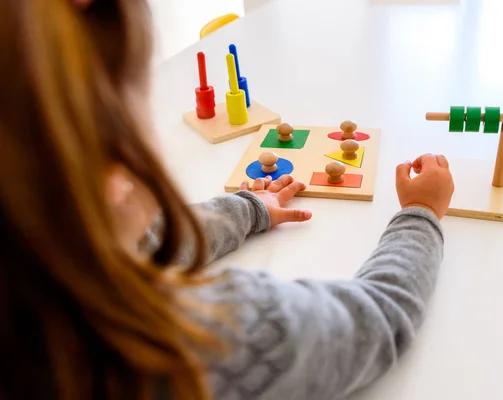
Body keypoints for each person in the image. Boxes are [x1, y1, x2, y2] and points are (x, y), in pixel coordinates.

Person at [0, 0, 454, 399]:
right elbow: (378, 318)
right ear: (113, 164)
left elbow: (145, 240)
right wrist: (420, 214)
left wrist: (249, 209)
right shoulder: (212, 341)